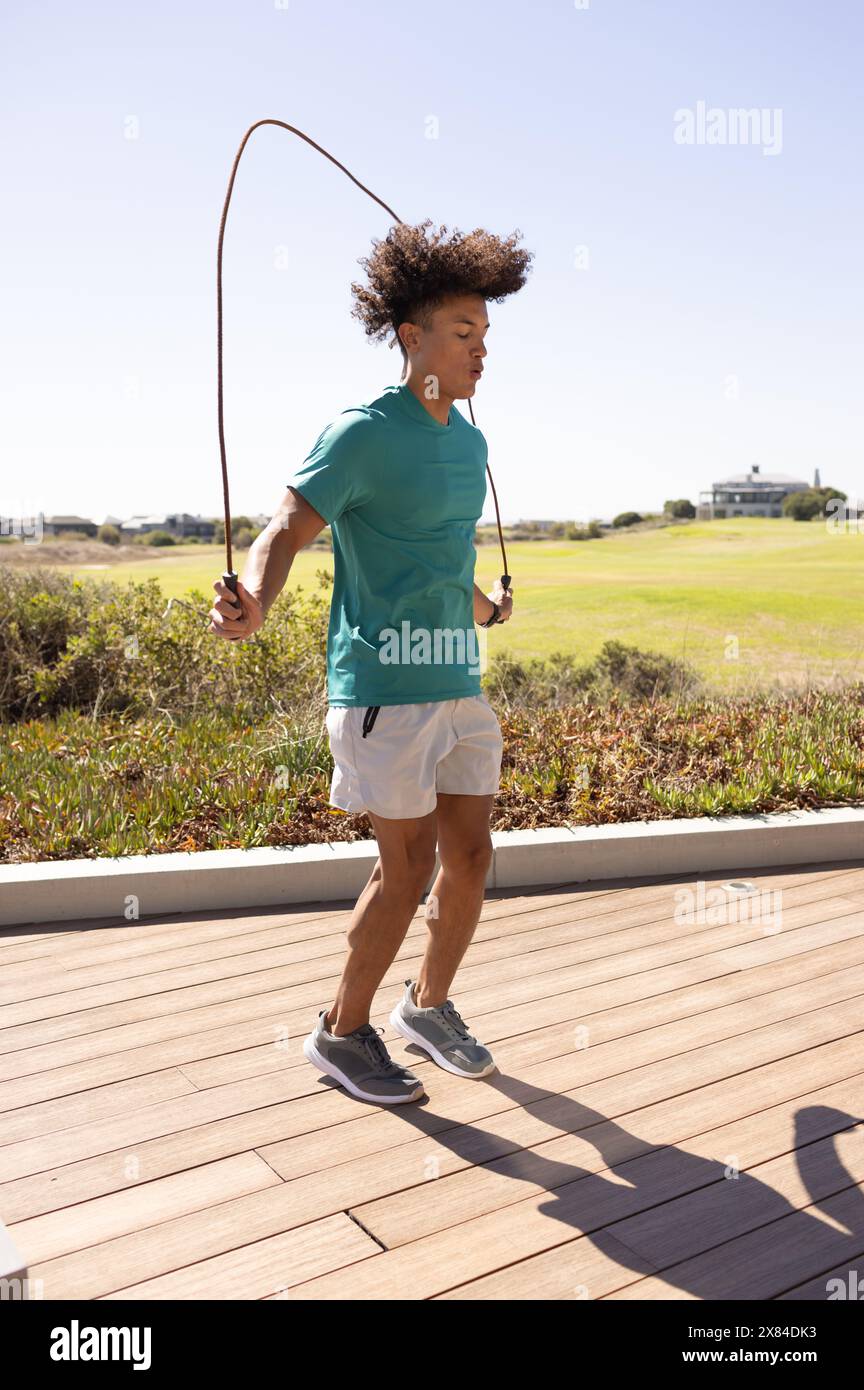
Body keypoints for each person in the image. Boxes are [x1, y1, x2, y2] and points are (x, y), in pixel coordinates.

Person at [209, 219, 532, 1104]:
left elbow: (440, 558)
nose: (480, 352)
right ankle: (340, 1033)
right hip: (383, 687)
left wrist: (483, 608)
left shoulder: (468, 442)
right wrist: (253, 602)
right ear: (410, 337)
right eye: (463, 333)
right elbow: (285, 529)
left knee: (470, 857)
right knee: (407, 868)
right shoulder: (360, 433)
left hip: (456, 681)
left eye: (485, 335)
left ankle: (426, 1009)